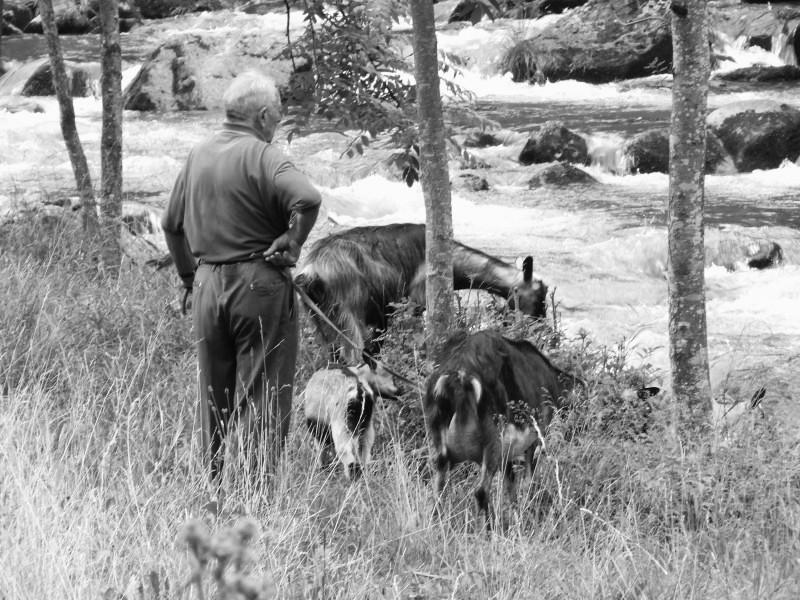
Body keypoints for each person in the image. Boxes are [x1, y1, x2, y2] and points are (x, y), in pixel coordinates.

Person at [161, 71, 321, 482]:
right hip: (259, 285)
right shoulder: (264, 155)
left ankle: (211, 486)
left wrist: (186, 279)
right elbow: (307, 197)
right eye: (279, 115)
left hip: (207, 284)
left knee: (212, 395)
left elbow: (171, 224)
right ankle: (253, 499)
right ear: (263, 115)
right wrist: (293, 239)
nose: (279, 123)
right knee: (263, 395)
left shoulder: (198, 154)